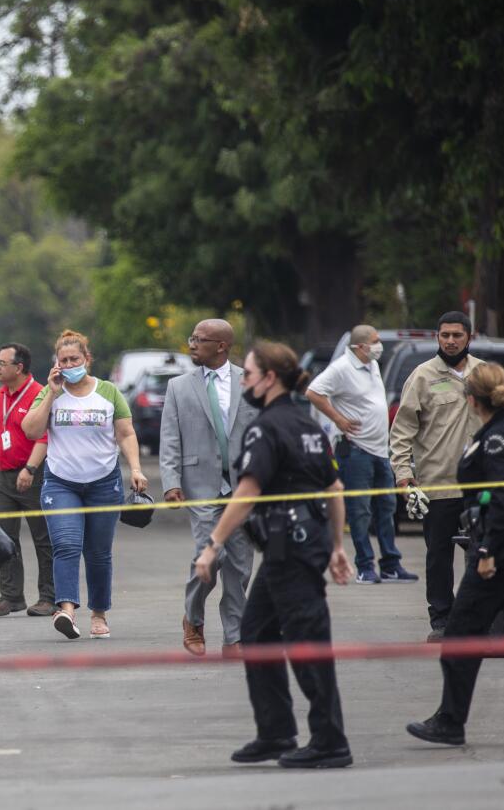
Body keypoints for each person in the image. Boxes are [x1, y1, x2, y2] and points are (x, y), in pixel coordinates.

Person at [195, 342, 355, 769]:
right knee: (257, 631)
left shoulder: (265, 428)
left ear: (269, 378)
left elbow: (247, 493)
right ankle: (276, 732)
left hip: (292, 548)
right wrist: (337, 546)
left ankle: (330, 740)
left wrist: (212, 547)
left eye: (247, 375)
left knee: (307, 642)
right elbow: (334, 490)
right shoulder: (307, 426)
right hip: (298, 545)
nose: (244, 381)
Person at [407, 362, 504, 747]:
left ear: (472, 399)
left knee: (460, 631)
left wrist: (486, 551)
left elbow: (502, 499)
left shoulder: (496, 439)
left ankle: (450, 720)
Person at [390, 311, 504, 640]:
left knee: (487, 551)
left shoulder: (486, 374)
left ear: (469, 337)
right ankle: (442, 619)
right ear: (437, 337)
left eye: (457, 335)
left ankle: (482, 617)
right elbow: (401, 432)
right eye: (445, 335)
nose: (450, 341)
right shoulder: (422, 376)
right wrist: (404, 476)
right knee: (438, 557)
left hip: (484, 487)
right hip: (439, 485)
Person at [21, 329, 147, 641]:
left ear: (86, 360)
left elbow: (126, 433)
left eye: (74, 358)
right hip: (61, 483)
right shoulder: (51, 392)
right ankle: (66, 610)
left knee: (98, 552)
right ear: (56, 364)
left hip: (103, 483)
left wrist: (136, 468)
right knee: (65, 545)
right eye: (62, 360)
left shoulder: (108, 391)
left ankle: (99, 613)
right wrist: (50, 393)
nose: (68, 364)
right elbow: (30, 430)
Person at [160, 319, 258, 657]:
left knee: (241, 565)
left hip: (243, 488)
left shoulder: (250, 381)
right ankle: (193, 618)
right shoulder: (178, 386)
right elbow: (170, 438)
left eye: (199, 340)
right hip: (201, 487)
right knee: (209, 557)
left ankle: (234, 636)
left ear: (222, 346)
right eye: (192, 338)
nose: (192, 345)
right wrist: (171, 481)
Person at [307, 324, 417, 585]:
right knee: (360, 511)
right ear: (360, 346)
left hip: (380, 450)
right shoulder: (341, 368)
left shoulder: (372, 365)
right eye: (375, 342)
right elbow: (313, 392)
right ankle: (364, 565)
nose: (379, 346)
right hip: (356, 450)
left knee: (387, 507)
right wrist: (339, 420)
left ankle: (390, 564)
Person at [0, 342, 54, 618]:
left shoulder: (39, 393)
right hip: (4, 479)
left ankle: (49, 596)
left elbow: (45, 436)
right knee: (2, 538)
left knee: (44, 538)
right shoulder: (0, 396)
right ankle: (11, 596)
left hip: (35, 476)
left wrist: (30, 469)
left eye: (2, 363)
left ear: (19, 367)